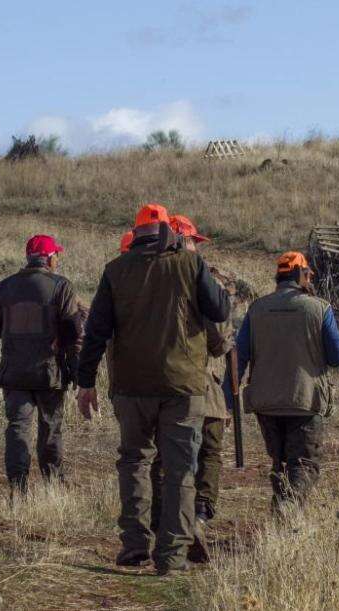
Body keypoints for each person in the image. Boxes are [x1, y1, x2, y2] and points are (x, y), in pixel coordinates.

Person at [77, 204, 230, 575]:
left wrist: (85, 383)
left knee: (134, 461)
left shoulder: (115, 271)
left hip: (130, 387)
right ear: (168, 232)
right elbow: (220, 309)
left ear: (136, 233)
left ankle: (134, 544)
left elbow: (96, 331)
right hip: (183, 387)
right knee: (180, 470)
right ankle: (172, 556)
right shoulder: (189, 265)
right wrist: (194, 262)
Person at [229, 251, 339, 512]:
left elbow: (238, 358)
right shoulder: (319, 308)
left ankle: (284, 521)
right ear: (300, 274)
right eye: (308, 273)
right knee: (303, 464)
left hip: (266, 404)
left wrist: (227, 399)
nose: (310, 277)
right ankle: (289, 507)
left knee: (280, 463)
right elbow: (338, 357)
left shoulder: (257, 308)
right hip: (304, 401)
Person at [149, 215, 233, 563]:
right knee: (207, 456)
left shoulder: (151, 277)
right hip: (203, 389)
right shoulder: (202, 279)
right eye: (194, 240)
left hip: (160, 384)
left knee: (165, 459)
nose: (197, 246)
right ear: (185, 241)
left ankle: (162, 524)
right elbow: (218, 342)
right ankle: (196, 518)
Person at [0, 235, 85, 496]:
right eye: (56, 255)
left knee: (17, 429)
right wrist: (77, 373)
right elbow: (74, 335)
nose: (57, 259)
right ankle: (54, 485)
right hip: (49, 375)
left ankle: (18, 488)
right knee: (50, 429)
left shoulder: (5, 287)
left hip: (13, 375)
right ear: (49, 258)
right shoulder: (61, 287)